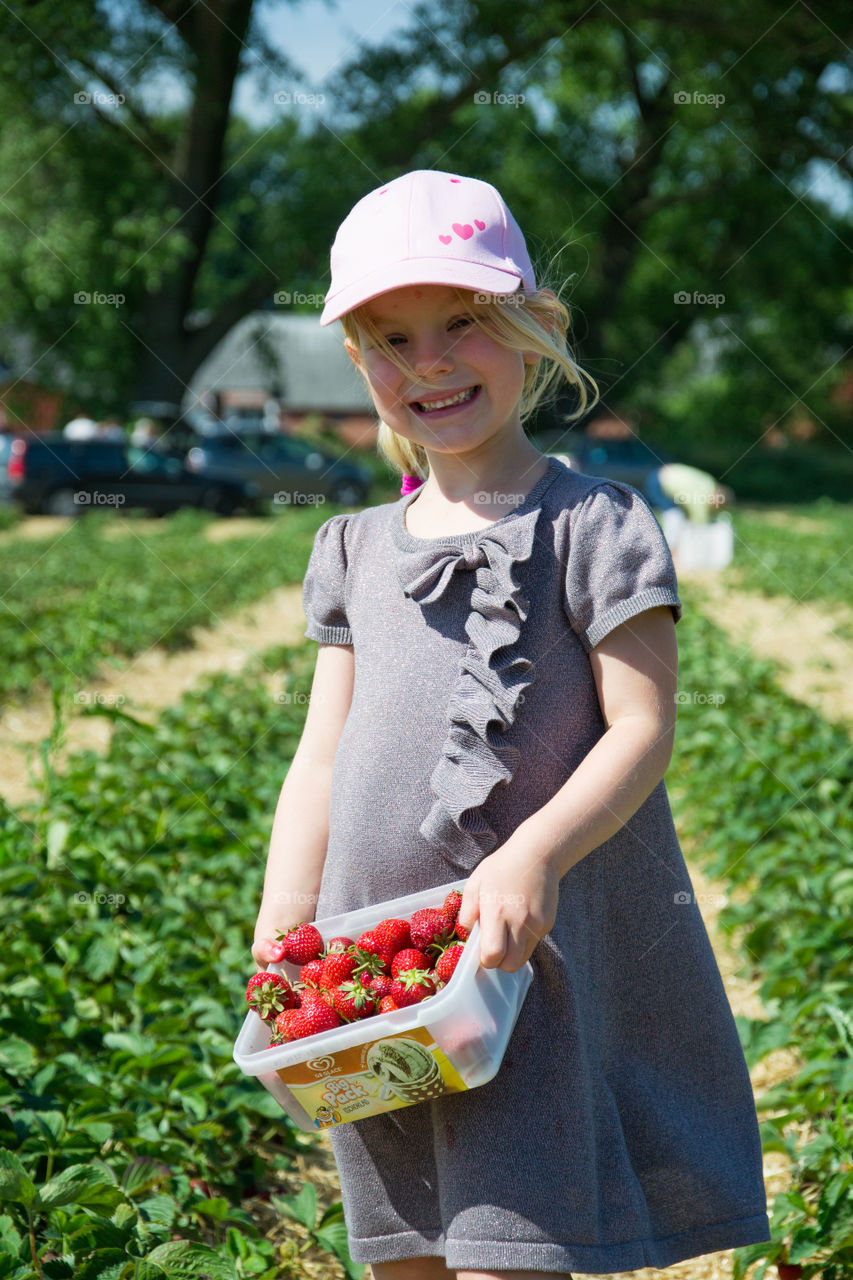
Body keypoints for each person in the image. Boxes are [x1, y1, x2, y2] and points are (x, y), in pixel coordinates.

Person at [251, 170, 771, 1280]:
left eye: (464, 324)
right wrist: (286, 908)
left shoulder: (594, 523)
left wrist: (532, 852)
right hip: (373, 981)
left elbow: (640, 727)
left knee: (506, 1251)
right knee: (405, 1251)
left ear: (534, 329)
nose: (428, 360)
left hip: (521, 964)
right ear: (357, 361)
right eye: (391, 338)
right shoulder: (348, 546)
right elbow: (322, 750)